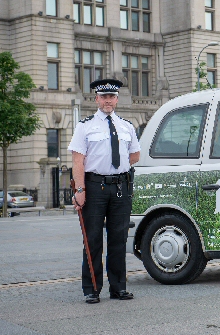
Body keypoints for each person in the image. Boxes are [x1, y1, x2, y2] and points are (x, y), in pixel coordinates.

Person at [68, 79, 141, 304]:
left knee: (118, 239)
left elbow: (135, 155)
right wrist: (80, 189)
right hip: (94, 187)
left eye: (112, 97)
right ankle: (92, 289)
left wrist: (115, 167)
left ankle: (118, 287)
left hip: (120, 186)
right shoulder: (85, 125)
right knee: (93, 239)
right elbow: (77, 160)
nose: (108, 101)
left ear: (116, 99)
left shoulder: (127, 126)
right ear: (97, 99)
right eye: (104, 97)